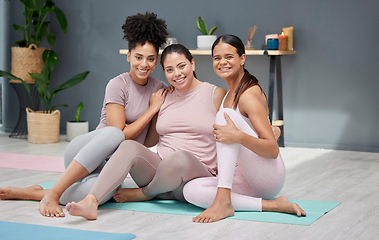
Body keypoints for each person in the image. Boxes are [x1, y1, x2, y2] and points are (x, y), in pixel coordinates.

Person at [0, 12, 169, 218]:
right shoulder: (118, 84)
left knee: (104, 194)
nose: (144, 64)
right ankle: (51, 194)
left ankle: (31, 193)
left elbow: (149, 140)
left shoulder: (159, 89)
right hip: (85, 153)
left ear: (157, 60)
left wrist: (157, 112)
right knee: (115, 134)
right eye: (138, 57)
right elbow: (120, 133)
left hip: (109, 165)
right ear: (128, 56)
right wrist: (152, 109)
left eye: (151, 59)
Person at [64, 44, 227, 220]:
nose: (177, 74)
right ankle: (91, 201)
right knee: (128, 146)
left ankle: (145, 193)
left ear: (192, 64)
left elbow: (231, 138)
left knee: (180, 158)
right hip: (160, 176)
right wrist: (153, 108)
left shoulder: (215, 94)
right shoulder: (164, 96)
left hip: (194, 176)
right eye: (169, 70)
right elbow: (150, 141)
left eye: (181, 66)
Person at [182, 34, 306, 223]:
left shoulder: (248, 94)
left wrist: (238, 136)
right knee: (190, 190)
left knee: (226, 117)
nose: (222, 62)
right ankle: (273, 205)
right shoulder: (228, 95)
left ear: (242, 58)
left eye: (229, 57)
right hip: (244, 177)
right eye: (217, 58)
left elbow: (272, 150)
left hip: (267, 176)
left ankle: (223, 200)